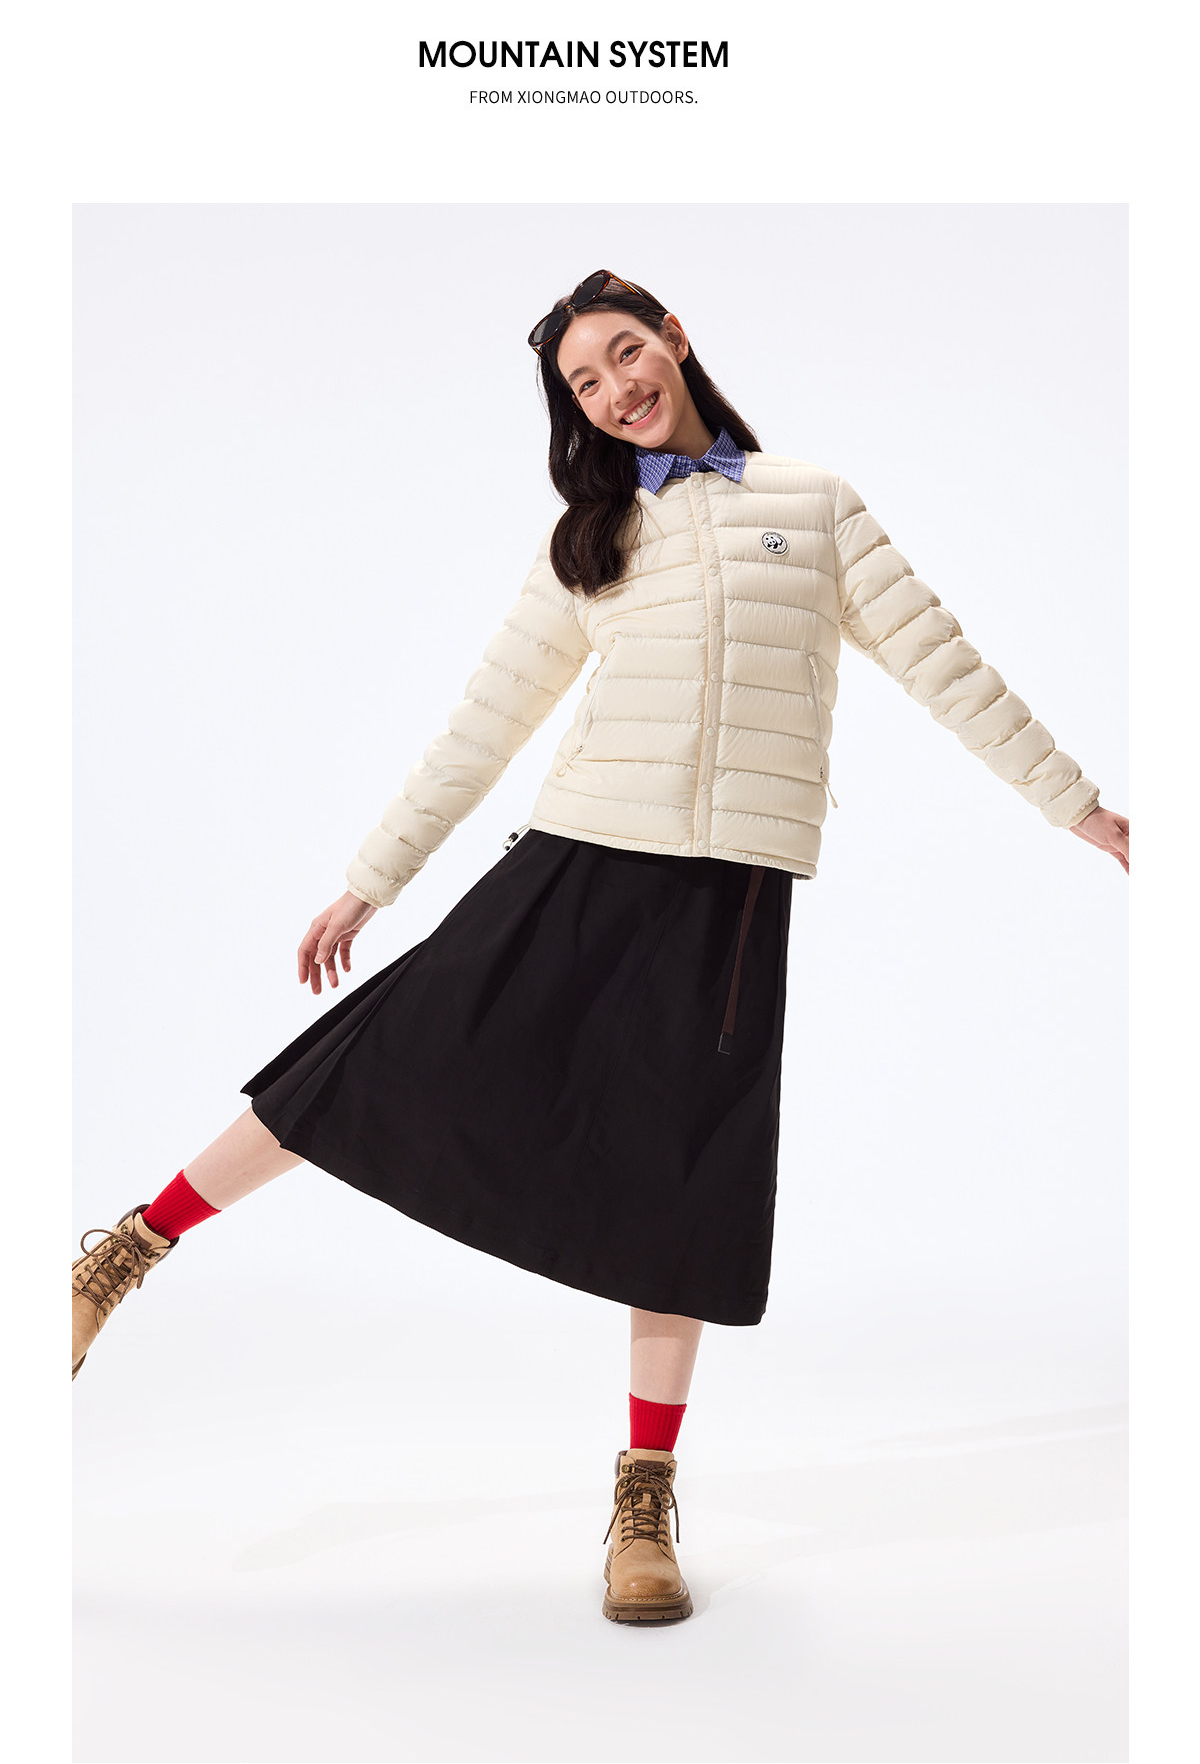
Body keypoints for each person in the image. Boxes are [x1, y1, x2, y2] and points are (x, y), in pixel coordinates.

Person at [72, 269, 1129, 1625]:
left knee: (677, 1183)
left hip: (731, 900)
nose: (617, 388)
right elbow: (486, 720)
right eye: (585, 382)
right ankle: (120, 1258)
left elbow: (945, 664)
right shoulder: (595, 536)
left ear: (675, 338)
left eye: (627, 354)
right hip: (576, 863)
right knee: (374, 1058)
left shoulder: (814, 503)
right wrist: (371, 881)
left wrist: (1081, 809)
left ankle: (643, 1497)